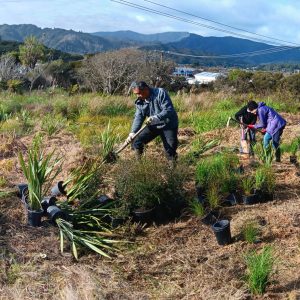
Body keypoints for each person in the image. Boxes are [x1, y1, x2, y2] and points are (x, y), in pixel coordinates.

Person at [126, 81, 179, 161]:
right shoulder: (140, 101)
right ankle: (138, 166)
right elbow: (138, 117)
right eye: (136, 94)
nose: (138, 96)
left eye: (140, 93)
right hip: (153, 125)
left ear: (146, 89)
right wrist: (132, 133)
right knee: (136, 142)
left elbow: (168, 109)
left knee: (170, 149)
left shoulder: (160, 93)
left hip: (168, 125)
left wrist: (157, 117)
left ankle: (172, 170)